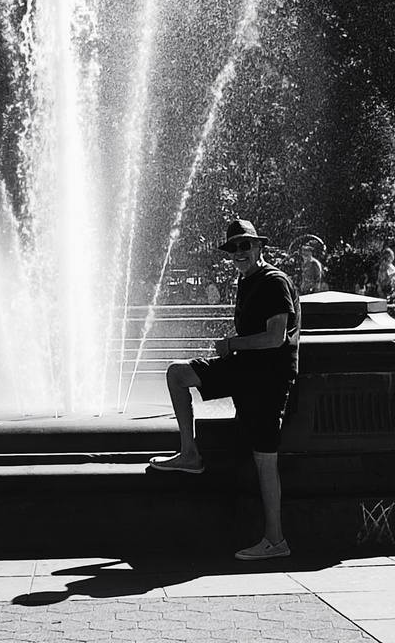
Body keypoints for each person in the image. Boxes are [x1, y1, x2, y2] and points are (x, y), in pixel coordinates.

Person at [149, 218, 300, 561]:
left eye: (245, 246)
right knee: (177, 374)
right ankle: (190, 454)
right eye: (233, 248)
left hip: (267, 381)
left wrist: (233, 343)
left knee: (265, 461)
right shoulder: (246, 281)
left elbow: (276, 337)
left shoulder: (274, 281)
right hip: (243, 370)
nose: (238, 253)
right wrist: (235, 350)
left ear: (259, 247)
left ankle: (276, 540)